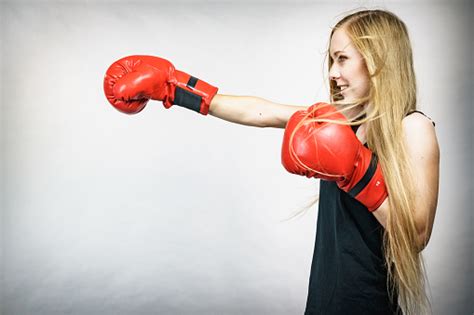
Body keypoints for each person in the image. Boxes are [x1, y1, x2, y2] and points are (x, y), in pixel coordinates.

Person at [103, 9, 439, 315]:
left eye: (342, 59)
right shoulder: (338, 123)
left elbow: (417, 235)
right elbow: (260, 112)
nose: (334, 73)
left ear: (378, 59)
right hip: (324, 299)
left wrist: (359, 172)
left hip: (370, 304)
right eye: (331, 61)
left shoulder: (413, 127)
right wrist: (175, 89)